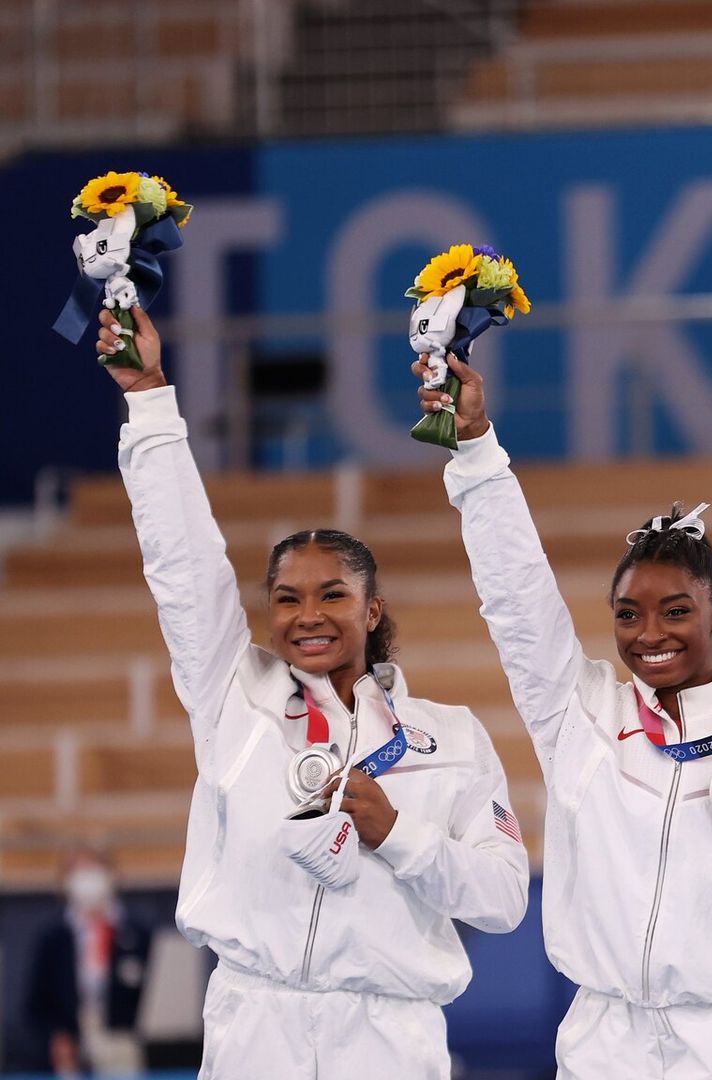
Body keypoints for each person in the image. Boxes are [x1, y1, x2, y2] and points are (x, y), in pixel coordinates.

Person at [99, 307, 529, 1079]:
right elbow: (183, 565)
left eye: (332, 595)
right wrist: (150, 397)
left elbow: (501, 901)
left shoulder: (452, 738)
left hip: (389, 1036)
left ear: (373, 607)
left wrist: (397, 834)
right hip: (253, 1025)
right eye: (288, 599)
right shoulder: (235, 696)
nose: (307, 617)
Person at [420, 353, 712, 1079]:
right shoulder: (580, 712)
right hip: (601, 1037)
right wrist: (475, 449)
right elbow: (516, 597)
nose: (649, 634)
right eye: (629, 615)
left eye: (676, 612)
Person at [24, 848, 150, 1077]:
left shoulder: (137, 934)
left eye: (93, 869)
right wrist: (57, 1037)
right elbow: (36, 1004)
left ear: (112, 875)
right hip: (70, 1045)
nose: (87, 879)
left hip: (123, 1043)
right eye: (78, 871)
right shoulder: (53, 939)